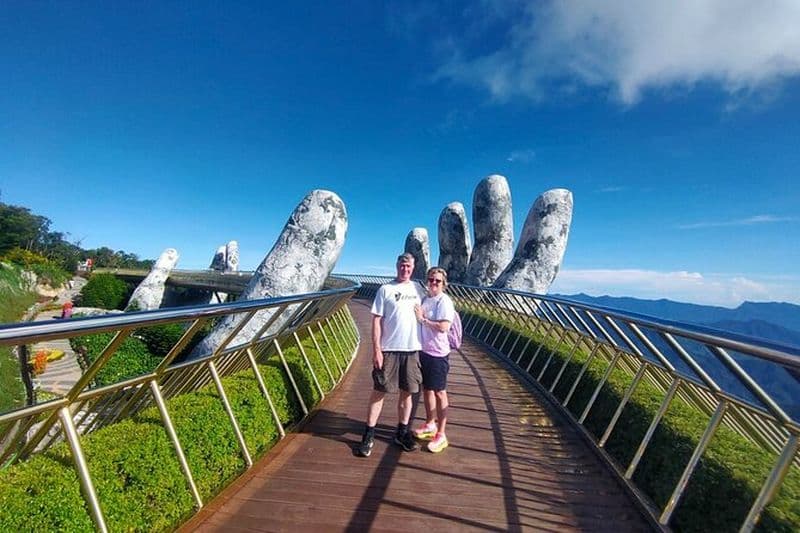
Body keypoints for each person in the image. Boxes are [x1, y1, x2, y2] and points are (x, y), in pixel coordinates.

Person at [354, 253, 426, 457]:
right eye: (402, 265)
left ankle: (401, 433)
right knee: (379, 391)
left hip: (412, 349)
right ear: (397, 266)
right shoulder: (385, 289)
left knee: (407, 393)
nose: (405, 269)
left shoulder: (418, 289)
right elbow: (376, 320)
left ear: (413, 268)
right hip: (389, 349)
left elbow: (431, 308)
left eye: (408, 266)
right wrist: (376, 349)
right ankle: (368, 435)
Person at [413, 267, 455, 453]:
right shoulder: (426, 299)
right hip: (425, 352)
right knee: (427, 389)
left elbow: (444, 326)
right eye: (431, 280)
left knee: (439, 392)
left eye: (438, 281)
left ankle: (442, 434)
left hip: (438, 354)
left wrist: (423, 320)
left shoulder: (444, 301)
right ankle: (430, 424)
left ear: (444, 284)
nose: (434, 283)